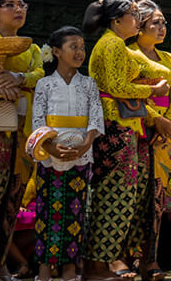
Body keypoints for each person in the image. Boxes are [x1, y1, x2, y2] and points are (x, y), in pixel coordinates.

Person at [82, 0, 168, 281]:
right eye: (133, 14)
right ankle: (95, 267)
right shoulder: (112, 44)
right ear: (117, 20)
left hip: (121, 122)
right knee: (113, 195)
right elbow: (116, 85)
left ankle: (102, 264)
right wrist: (152, 92)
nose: (137, 19)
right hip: (114, 124)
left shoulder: (113, 43)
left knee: (118, 195)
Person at [29, 26, 103, 281]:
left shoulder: (89, 83)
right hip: (50, 158)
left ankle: (70, 270)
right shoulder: (44, 84)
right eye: (73, 46)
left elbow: (96, 117)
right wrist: (49, 147)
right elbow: (38, 120)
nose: (80, 52)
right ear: (57, 52)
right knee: (46, 213)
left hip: (81, 156)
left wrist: (86, 144)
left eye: (82, 46)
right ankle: (44, 271)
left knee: (75, 211)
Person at [0, 0, 44, 281]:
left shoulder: (32, 48)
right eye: (10, 5)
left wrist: (17, 78)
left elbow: (38, 74)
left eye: (22, 4)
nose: (19, 9)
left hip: (24, 129)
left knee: (13, 196)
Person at [129, 0, 171, 281]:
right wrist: (154, 119)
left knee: (158, 198)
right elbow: (128, 92)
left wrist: (167, 122)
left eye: (164, 22)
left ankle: (150, 259)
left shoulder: (170, 59)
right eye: (155, 23)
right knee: (135, 196)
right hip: (138, 129)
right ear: (139, 26)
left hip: (164, 135)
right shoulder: (129, 54)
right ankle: (126, 258)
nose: (162, 28)